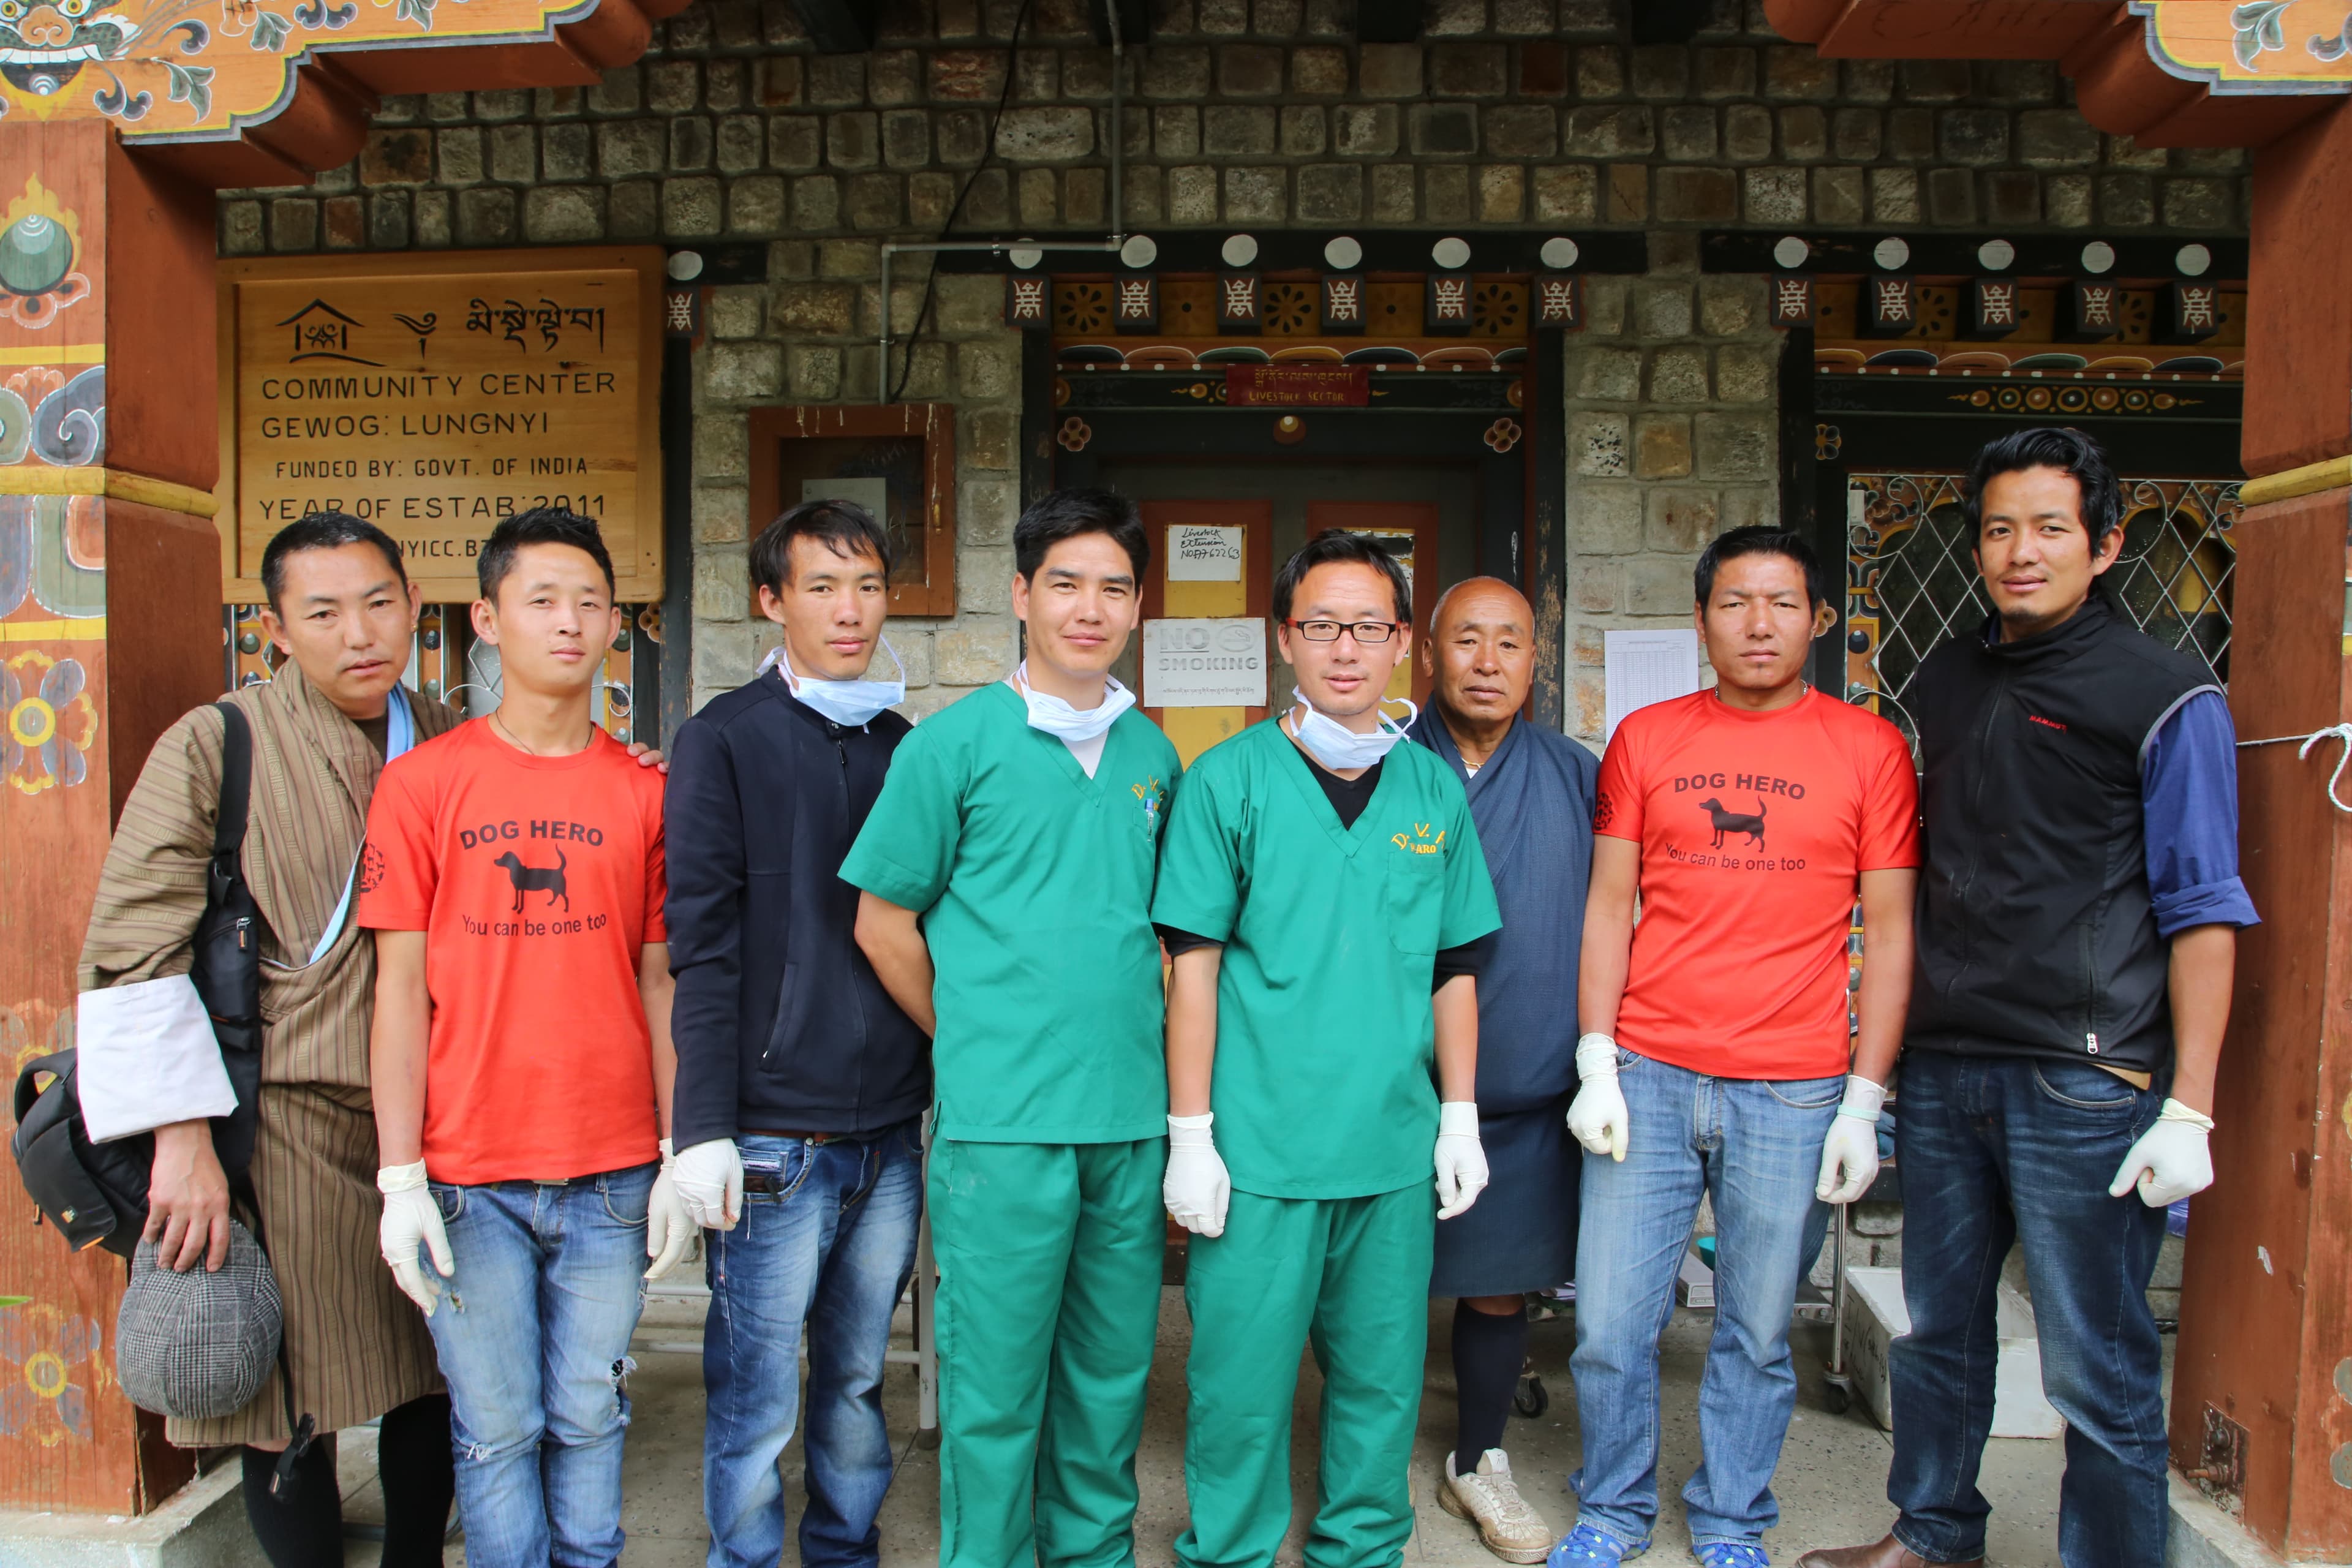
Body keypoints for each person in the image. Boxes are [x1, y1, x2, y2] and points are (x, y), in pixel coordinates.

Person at [1800, 429, 2258, 1568]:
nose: (2020, 551)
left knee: (2093, 1365)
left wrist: (2189, 1107)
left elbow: (2204, 907)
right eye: (1999, 528)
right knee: (1938, 1337)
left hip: (2085, 1074)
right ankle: (1933, 1535)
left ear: (2104, 546)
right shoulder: (1945, 679)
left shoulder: (2165, 694)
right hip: (1949, 1063)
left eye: (2051, 528)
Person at [75, 511, 462, 1568]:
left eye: (379, 603)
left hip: (428, 1117)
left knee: (435, 1370)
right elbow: (131, 948)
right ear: (276, 630)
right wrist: (180, 1143)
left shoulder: (442, 733)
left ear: (413, 606)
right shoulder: (217, 743)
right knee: (287, 1395)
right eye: (324, 613)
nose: (359, 634)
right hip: (277, 1123)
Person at [1555, 526, 1918, 1568]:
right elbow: (1609, 906)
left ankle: (1729, 1517)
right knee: (1611, 1328)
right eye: (1735, 603)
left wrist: (1864, 1096)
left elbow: (1890, 932)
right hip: (1650, 1073)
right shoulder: (1647, 737)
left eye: (1783, 603)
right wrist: (1595, 1057)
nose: (1759, 624)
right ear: (1703, 617)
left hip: (1797, 1087)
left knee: (1756, 1333)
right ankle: (1614, 1511)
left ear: (1818, 617)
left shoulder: (1869, 749)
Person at [842, 489, 1180, 1568]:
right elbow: (883, 922)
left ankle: (1094, 1553)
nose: (1091, 608)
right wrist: (970, 1033)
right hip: (1004, 1129)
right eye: (1067, 584)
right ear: (1022, 595)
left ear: (1138, 606)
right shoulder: (951, 750)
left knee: (1110, 1371)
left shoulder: (1152, 756)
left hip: (1128, 1121)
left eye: (1115, 588)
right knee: (994, 1385)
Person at [1153, 530, 1502, 1568]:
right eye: (1320, 625)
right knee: (1241, 1380)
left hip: (1388, 1155)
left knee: (1381, 1380)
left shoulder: (1434, 792)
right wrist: (1190, 1134)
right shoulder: (1230, 782)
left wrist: (1459, 1114)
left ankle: (1363, 1547)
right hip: (1260, 1154)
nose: (1343, 648)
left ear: (1404, 642)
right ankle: (1231, 1550)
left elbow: (1455, 965)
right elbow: (1194, 966)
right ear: (1284, 638)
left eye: (1367, 626)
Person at [361, 507, 694, 1568]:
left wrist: (680, 1148)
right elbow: (398, 989)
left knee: (591, 1416)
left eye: (589, 603)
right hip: (467, 1176)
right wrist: (399, 1173)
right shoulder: (420, 785)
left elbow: (662, 981)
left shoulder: (647, 792)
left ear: (614, 626)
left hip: (609, 1170)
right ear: (486, 620)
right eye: (540, 600)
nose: (567, 623)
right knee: (495, 1431)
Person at [663, 499, 930, 1568]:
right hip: (774, 1135)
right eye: (822, 586)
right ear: (773, 601)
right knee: (757, 1388)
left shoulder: (906, 745)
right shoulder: (722, 739)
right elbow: (703, 942)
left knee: (859, 1377)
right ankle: (744, 1557)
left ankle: (843, 1549)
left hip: (890, 1132)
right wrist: (704, 1129)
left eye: (867, 584)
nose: (850, 609)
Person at [1404, 578, 1598, 1563]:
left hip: (1529, 1084)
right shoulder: (1385, 767)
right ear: (1429, 654)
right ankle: (1361, 1459)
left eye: (1509, 643)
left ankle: (1478, 1458)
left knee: (1497, 1292)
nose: (1488, 662)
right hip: (1393, 1090)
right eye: (1467, 641)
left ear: (1537, 656)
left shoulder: (1576, 774)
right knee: (1369, 1288)